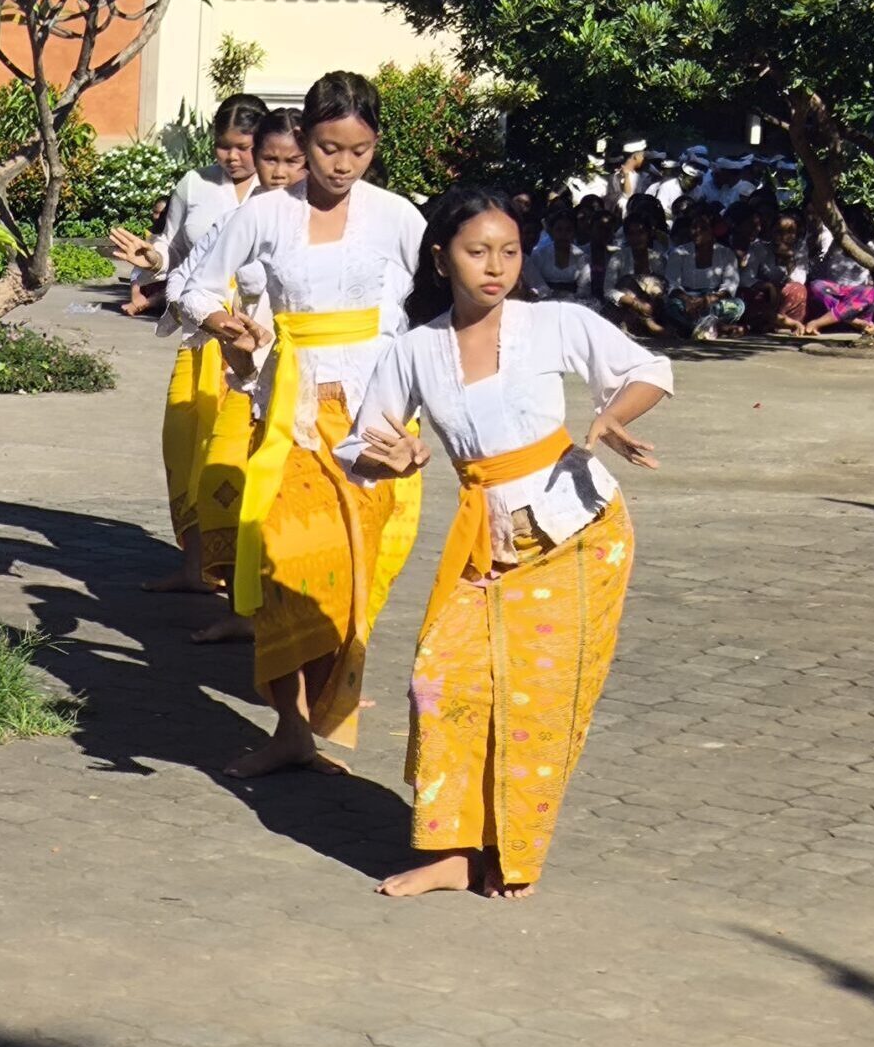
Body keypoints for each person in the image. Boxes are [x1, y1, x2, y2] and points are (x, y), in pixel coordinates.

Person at [336, 188, 669, 899]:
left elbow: (648, 371)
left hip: (580, 535)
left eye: (510, 251)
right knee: (440, 679)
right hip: (486, 543)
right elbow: (362, 440)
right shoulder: (416, 349)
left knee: (536, 701)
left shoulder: (555, 324)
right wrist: (385, 458)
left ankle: (506, 853)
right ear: (441, 257)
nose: (496, 266)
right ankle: (455, 849)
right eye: (477, 251)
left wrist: (609, 418)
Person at [178, 71, 426, 778]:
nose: (342, 165)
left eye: (359, 150)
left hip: (377, 416)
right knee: (289, 569)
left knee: (353, 571)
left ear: (376, 147)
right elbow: (195, 286)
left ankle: (329, 695)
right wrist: (225, 321)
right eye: (326, 148)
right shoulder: (266, 214)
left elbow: (438, 304)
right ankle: (291, 727)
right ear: (302, 141)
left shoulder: (398, 216)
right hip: (289, 411)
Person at [109, 94, 268, 594]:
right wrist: (151, 259)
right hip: (202, 337)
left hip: (259, 342)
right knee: (186, 447)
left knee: (243, 453)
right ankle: (195, 567)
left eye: (243, 147)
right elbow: (170, 247)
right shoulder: (195, 185)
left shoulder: (283, 190)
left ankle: (246, 576)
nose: (233, 157)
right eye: (223, 146)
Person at [173, 106, 309, 647]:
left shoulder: (338, 222)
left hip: (314, 378)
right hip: (250, 370)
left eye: (291, 161)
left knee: (290, 504)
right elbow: (190, 278)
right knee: (220, 483)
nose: (278, 172)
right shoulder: (245, 216)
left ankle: (298, 621)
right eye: (269, 159)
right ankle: (240, 605)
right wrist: (216, 319)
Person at [662, 210, 745, 340]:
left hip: (713, 300)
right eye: (694, 227)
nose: (697, 232)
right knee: (671, 306)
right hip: (686, 300)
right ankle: (715, 326)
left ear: (713, 231)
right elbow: (672, 283)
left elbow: (730, 286)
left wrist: (709, 299)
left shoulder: (726, 253)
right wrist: (688, 300)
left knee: (738, 305)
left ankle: (695, 327)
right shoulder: (679, 253)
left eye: (703, 228)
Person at [742, 213, 809, 335]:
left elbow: (799, 280)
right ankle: (771, 322)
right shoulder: (759, 248)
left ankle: (780, 323)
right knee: (749, 294)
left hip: (785, 299)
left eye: (790, 231)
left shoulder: (800, 250)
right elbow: (746, 278)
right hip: (765, 296)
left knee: (799, 290)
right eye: (779, 231)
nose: (784, 236)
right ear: (771, 232)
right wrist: (768, 286)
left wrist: (789, 260)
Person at [602, 215, 670, 337]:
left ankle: (647, 322)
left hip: (652, 306)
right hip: (627, 305)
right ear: (627, 237)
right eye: (632, 234)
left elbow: (663, 289)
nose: (637, 238)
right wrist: (635, 303)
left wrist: (648, 304)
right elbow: (608, 290)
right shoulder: (619, 257)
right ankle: (648, 323)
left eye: (640, 233)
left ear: (649, 234)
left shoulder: (657, 258)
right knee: (627, 282)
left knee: (656, 282)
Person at [521, 206, 596, 303]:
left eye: (568, 230)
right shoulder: (539, 254)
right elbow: (534, 284)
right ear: (552, 232)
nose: (563, 234)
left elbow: (584, 290)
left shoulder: (582, 258)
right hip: (542, 304)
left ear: (574, 233)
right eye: (559, 230)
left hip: (572, 305)